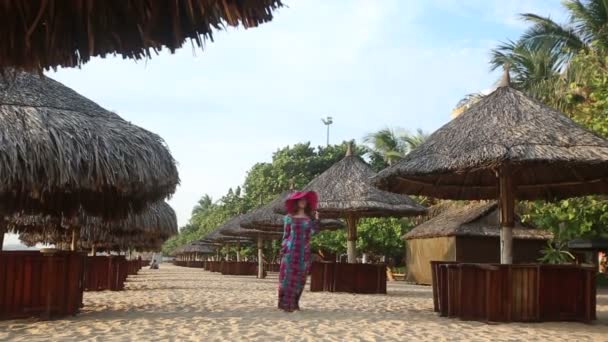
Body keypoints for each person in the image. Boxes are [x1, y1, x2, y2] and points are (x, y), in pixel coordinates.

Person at [278, 191, 320, 312]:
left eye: (305, 200)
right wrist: (283, 249)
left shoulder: (309, 220)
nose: (303, 201)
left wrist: (316, 220)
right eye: (300, 199)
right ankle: (284, 304)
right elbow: (285, 236)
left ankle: (295, 304)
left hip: (303, 252)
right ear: (296, 202)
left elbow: (314, 232)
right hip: (289, 251)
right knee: (286, 278)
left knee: (300, 278)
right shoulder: (288, 218)